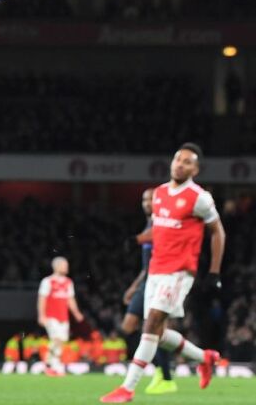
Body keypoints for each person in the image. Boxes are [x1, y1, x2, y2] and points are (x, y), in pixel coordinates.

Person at [100, 143, 226, 403]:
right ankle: (205, 358)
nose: (180, 164)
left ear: (195, 170)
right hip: (156, 269)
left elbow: (218, 232)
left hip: (179, 271)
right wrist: (137, 239)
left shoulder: (199, 197)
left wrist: (214, 272)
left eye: (187, 162)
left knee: (151, 324)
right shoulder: (159, 193)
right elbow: (159, 229)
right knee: (157, 334)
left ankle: (127, 388)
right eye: (178, 159)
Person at [121, 189, 176, 394]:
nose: (147, 202)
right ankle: (159, 367)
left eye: (151, 199)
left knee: (155, 330)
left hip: (159, 280)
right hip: (147, 280)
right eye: (144, 199)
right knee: (129, 327)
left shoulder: (162, 223)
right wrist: (134, 287)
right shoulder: (149, 224)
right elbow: (146, 266)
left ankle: (164, 375)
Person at [37, 256, 84, 376]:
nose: (67, 267)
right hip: (51, 316)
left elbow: (70, 299)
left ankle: (52, 365)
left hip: (64, 317)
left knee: (61, 340)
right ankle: (50, 364)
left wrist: (76, 312)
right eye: (65, 265)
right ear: (56, 266)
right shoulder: (47, 281)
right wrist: (41, 315)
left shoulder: (68, 282)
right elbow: (42, 299)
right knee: (56, 338)